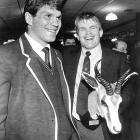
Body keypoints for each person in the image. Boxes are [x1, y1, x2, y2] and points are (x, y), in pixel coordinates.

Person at [0, 0, 80, 140]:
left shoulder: (57, 55)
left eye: (58, 17)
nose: (55, 23)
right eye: (48, 16)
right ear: (29, 18)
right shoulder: (6, 55)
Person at [62, 11, 134, 140]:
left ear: (100, 32)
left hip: (103, 128)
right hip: (72, 126)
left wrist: (109, 107)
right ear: (77, 35)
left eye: (92, 28)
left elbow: (129, 94)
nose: (88, 33)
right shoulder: (66, 56)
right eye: (82, 29)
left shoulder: (118, 58)